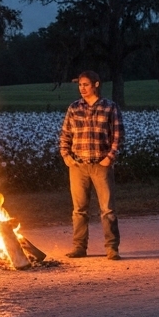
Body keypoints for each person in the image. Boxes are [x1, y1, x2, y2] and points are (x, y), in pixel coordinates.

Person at [58, 70, 124, 260]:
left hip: (101, 165)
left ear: (96, 84)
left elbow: (118, 135)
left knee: (108, 209)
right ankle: (79, 247)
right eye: (80, 85)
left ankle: (112, 248)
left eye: (86, 84)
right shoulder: (74, 108)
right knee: (79, 210)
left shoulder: (109, 107)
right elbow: (65, 134)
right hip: (78, 166)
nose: (82, 88)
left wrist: (110, 157)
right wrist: (66, 156)